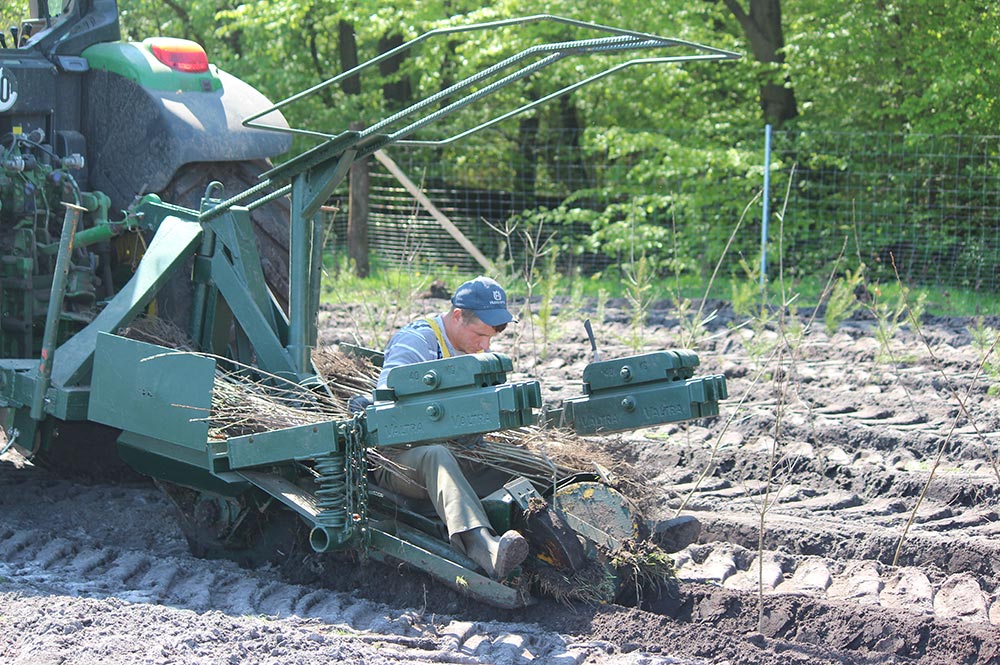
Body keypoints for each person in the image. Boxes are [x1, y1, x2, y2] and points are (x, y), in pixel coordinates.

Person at [371, 276, 528, 580]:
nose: (485, 345)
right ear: (457, 316)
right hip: (401, 461)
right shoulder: (417, 343)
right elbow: (384, 412)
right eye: (480, 334)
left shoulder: (471, 352)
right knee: (436, 455)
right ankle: (485, 549)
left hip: (459, 450)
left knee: (517, 461)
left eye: (491, 338)